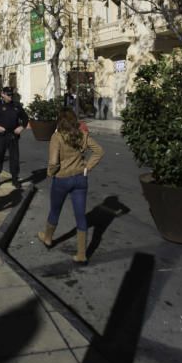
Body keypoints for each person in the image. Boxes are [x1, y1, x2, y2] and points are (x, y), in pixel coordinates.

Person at [37, 108, 105, 263]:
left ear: (59, 121)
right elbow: (99, 151)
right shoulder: (81, 135)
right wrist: (88, 167)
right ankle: (82, 254)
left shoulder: (57, 137)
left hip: (62, 179)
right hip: (80, 178)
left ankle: (48, 238)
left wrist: (50, 173)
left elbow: (54, 162)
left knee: (55, 210)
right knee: (81, 215)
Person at [0, 86, 29, 188]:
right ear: (3, 94)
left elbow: (25, 118)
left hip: (13, 136)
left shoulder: (16, 105)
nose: (10, 96)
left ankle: (15, 179)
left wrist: (21, 127)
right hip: (2, 136)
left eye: (11, 94)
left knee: (14, 159)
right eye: (8, 94)